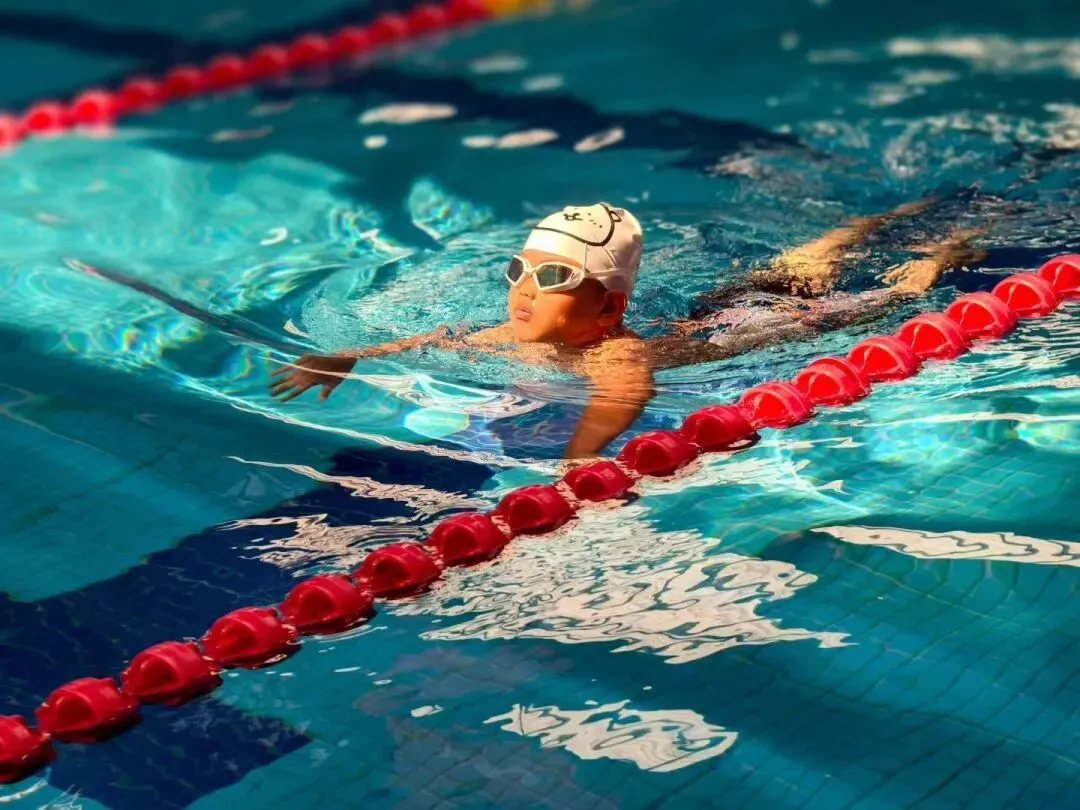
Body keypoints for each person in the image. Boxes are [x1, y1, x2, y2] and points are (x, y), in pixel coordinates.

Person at [270, 202, 979, 458]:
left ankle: (950, 247)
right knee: (804, 262)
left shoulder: (618, 350)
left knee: (893, 294)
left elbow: (624, 399)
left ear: (607, 310)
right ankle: (867, 223)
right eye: (520, 270)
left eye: (550, 281)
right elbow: (443, 338)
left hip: (769, 331)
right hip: (710, 314)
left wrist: (580, 459)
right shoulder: (523, 334)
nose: (522, 289)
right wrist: (351, 356)